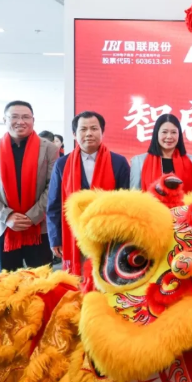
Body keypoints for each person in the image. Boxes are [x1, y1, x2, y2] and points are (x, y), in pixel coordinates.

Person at [0, 101, 58, 271]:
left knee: (41, 281)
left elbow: (54, 187)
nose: (20, 121)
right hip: (2, 226)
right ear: (4, 120)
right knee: (7, 281)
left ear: (33, 120)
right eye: (14, 117)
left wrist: (31, 217)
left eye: (26, 117)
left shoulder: (49, 149)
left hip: (38, 228)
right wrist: (7, 216)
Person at [47, 111, 130, 276]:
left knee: (107, 278)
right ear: (74, 134)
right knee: (79, 280)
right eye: (83, 129)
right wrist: (55, 238)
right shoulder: (62, 164)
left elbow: (127, 201)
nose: (89, 133)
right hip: (75, 235)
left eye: (94, 128)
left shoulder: (119, 162)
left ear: (102, 132)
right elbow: (54, 204)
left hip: (109, 235)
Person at [130, 114, 192, 192]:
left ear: (179, 135)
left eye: (173, 132)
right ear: (156, 134)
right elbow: (134, 195)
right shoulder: (139, 161)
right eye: (164, 132)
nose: (169, 136)